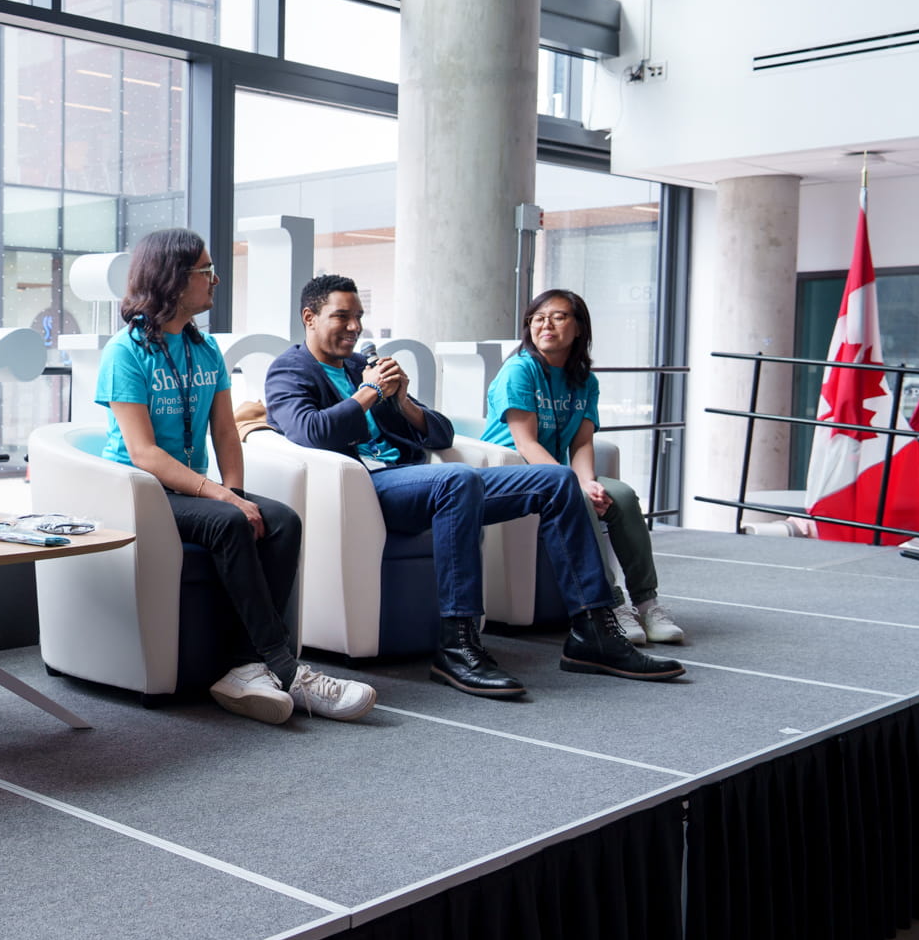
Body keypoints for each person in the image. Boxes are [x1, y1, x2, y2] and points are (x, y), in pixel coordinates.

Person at [265, 274, 683, 696]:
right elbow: (308, 431)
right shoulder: (290, 369)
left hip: (422, 481)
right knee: (457, 480)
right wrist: (369, 393)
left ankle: (593, 630)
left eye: (359, 317)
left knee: (557, 480)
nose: (355, 328)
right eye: (342, 317)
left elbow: (441, 434)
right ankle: (458, 646)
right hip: (369, 489)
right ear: (310, 317)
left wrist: (404, 401)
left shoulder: (361, 365)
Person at [98, 227, 376, 724]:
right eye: (206, 270)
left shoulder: (204, 351)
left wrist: (238, 493)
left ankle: (243, 669)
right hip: (138, 493)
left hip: (193, 492)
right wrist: (222, 499)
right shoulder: (126, 352)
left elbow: (227, 433)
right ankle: (287, 670)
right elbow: (143, 454)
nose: (216, 279)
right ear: (175, 279)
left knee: (281, 520)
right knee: (228, 521)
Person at [482, 289, 684, 644]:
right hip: (510, 472)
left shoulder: (585, 381)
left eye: (558, 316)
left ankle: (647, 602)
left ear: (579, 329)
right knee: (578, 501)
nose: (546, 324)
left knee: (621, 495)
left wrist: (588, 482)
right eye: (538, 317)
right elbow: (526, 443)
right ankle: (611, 605)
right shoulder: (519, 370)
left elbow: (582, 443)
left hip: (551, 474)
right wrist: (574, 487)